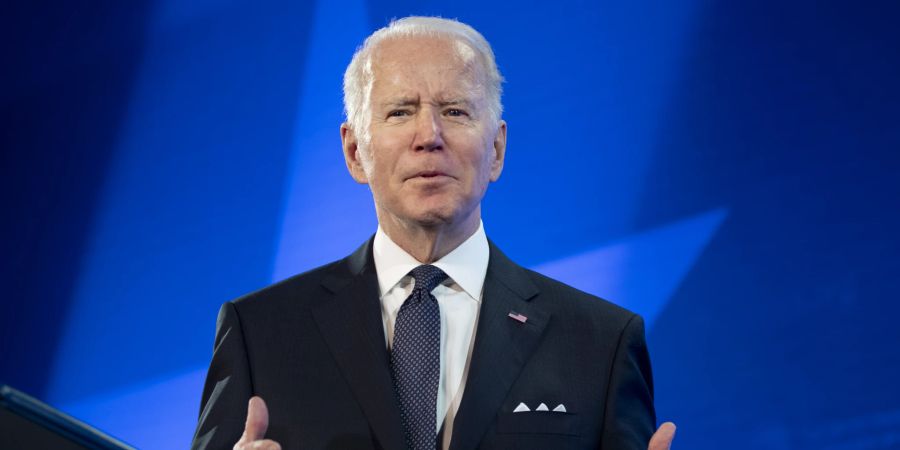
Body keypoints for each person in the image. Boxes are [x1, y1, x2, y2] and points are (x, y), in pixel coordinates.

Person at [192, 16, 676, 450]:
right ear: (355, 151)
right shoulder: (259, 333)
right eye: (400, 111)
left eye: (456, 111)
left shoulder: (600, 343)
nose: (429, 135)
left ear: (497, 150)